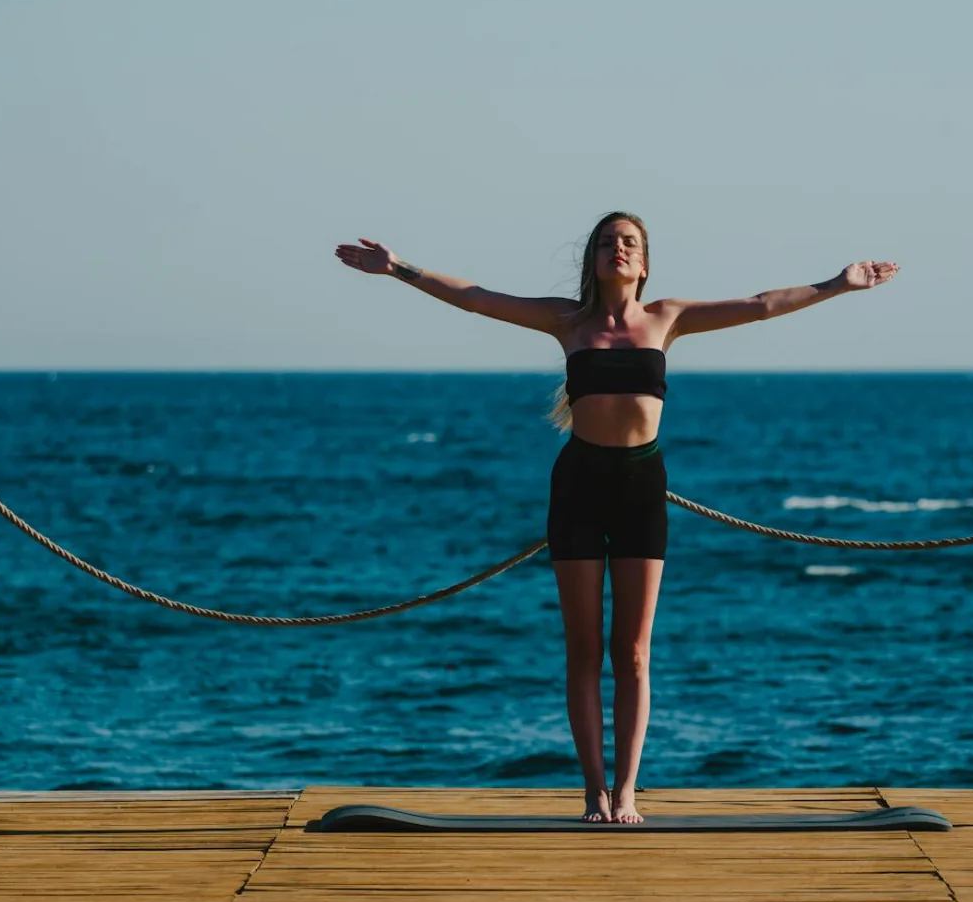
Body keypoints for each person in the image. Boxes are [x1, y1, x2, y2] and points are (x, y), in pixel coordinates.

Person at [335, 212, 899, 823]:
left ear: (645, 262)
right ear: (595, 261)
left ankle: (627, 791)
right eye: (607, 243)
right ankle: (593, 793)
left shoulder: (668, 317)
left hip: (640, 486)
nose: (618, 250)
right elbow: (478, 299)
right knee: (583, 649)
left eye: (628, 243)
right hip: (577, 484)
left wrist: (839, 284)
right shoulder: (566, 321)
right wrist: (398, 269)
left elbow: (760, 305)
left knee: (631, 651)